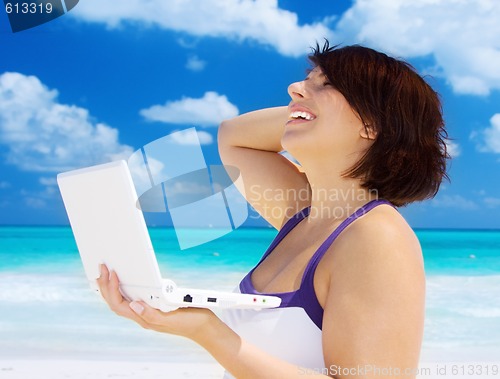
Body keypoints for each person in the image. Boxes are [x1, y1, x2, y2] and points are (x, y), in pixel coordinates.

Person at [97, 41, 449, 378]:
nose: (293, 86)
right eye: (305, 80)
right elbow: (234, 136)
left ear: (371, 124)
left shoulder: (376, 237)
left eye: (327, 83)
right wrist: (309, 107)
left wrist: (208, 331)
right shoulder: (304, 214)